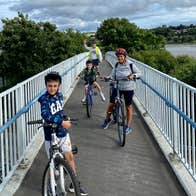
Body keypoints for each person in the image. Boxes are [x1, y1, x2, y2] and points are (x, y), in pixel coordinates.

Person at [38, 71, 88, 196]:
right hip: (51, 135)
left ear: (59, 85)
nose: (52, 88)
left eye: (55, 86)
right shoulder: (44, 99)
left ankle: (74, 183)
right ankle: (51, 184)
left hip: (62, 133)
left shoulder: (59, 96)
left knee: (69, 157)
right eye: (50, 86)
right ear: (46, 85)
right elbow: (46, 115)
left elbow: (59, 112)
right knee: (52, 162)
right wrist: (61, 121)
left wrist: (65, 118)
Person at [102, 48, 141, 134]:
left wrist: (133, 75)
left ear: (124, 57)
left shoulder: (131, 64)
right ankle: (107, 120)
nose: (120, 58)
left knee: (128, 107)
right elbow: (112, 75)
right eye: (118, 56)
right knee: (111, 104)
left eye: (121, 56)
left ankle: (128, 126)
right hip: (118, 86)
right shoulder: (116, 65)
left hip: (129, 88)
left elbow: (139, 73)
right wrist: (108, 78)